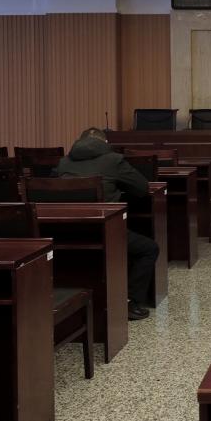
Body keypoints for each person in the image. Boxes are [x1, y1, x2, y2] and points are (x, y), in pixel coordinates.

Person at [56, 127, 160, 320]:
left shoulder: (63, 163)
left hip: (63, 234)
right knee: (149, 249)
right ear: (105, 143)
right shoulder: (114, 160)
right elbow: (142, 188)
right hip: (102, 231)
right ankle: (130, 302)